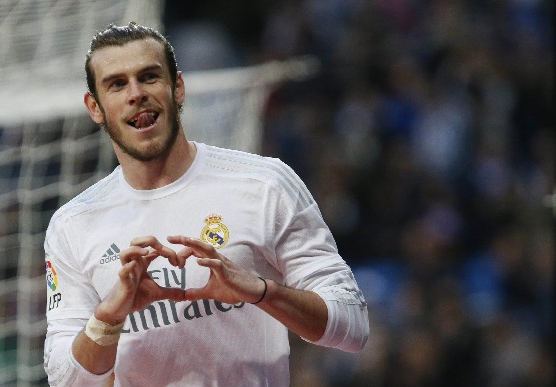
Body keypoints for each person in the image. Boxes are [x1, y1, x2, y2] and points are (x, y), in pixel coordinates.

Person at [43, 22, 369, 386]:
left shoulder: (265, 183)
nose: (136, 93)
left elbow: (353, 324)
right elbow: (63, 378)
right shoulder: (73, 224)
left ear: (177, 88)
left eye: (149, 77)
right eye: (117, 84)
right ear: (95, 107)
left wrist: (261, 292)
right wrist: (110, 315)